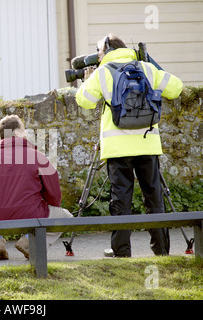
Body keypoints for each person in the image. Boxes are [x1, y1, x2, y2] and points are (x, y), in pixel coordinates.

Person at [75, 34, 183, 257]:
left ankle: (122, 253)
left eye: (98, 51)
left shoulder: (104, 73)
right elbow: (176, 88)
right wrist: (150, 64)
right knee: (154, 198)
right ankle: (162, 251)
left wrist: (88, 79)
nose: (97, 55)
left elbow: (83, 100)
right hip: (148, 144)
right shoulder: (145, 68)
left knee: (121, 200)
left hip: (118, 148)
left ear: (106, 49)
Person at [0, 115, 73, 260]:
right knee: (66, 217)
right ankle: (29, 241)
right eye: (24, 130)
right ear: (16, 133)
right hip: (32, 213)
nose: (26, 133)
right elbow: (54, 194)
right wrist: (48, 209)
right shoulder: (39, 158)